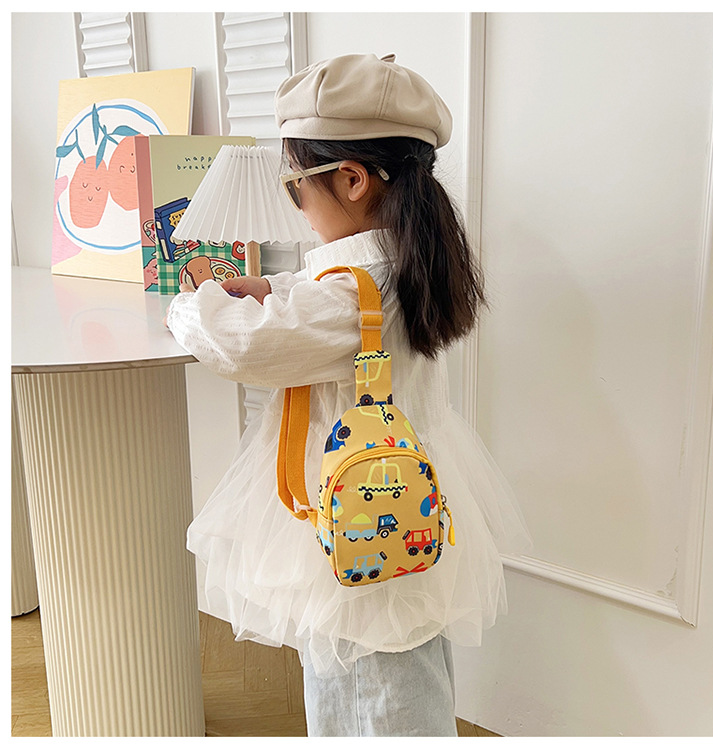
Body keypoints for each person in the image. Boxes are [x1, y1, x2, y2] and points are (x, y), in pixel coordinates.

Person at [166, 52, 532, 737]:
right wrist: (273, 288)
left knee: (369, 684)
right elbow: (334, 311)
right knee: (391, 668)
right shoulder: (401, 265)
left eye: (294, 187)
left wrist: (192, 300)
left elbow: (243, 345)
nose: (297, 206)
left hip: (357, 515)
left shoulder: (349, 294)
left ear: (353, 180)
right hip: (392, 500)